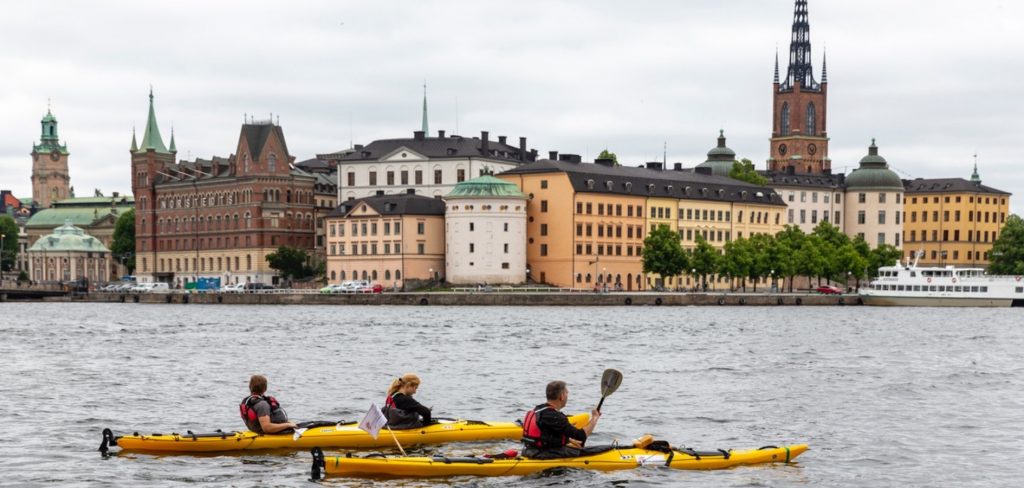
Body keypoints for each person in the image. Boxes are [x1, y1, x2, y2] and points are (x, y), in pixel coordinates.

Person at [521, 380, 601, 459]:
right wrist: (595, 417)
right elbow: (581, 436)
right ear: (561, 397)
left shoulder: (539, 409)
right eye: (566, 393)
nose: (567, 396)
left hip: (528, 451)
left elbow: (547, 434)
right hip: (542, 454)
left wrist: (568, 440)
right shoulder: (554, 415)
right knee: (591, 451)